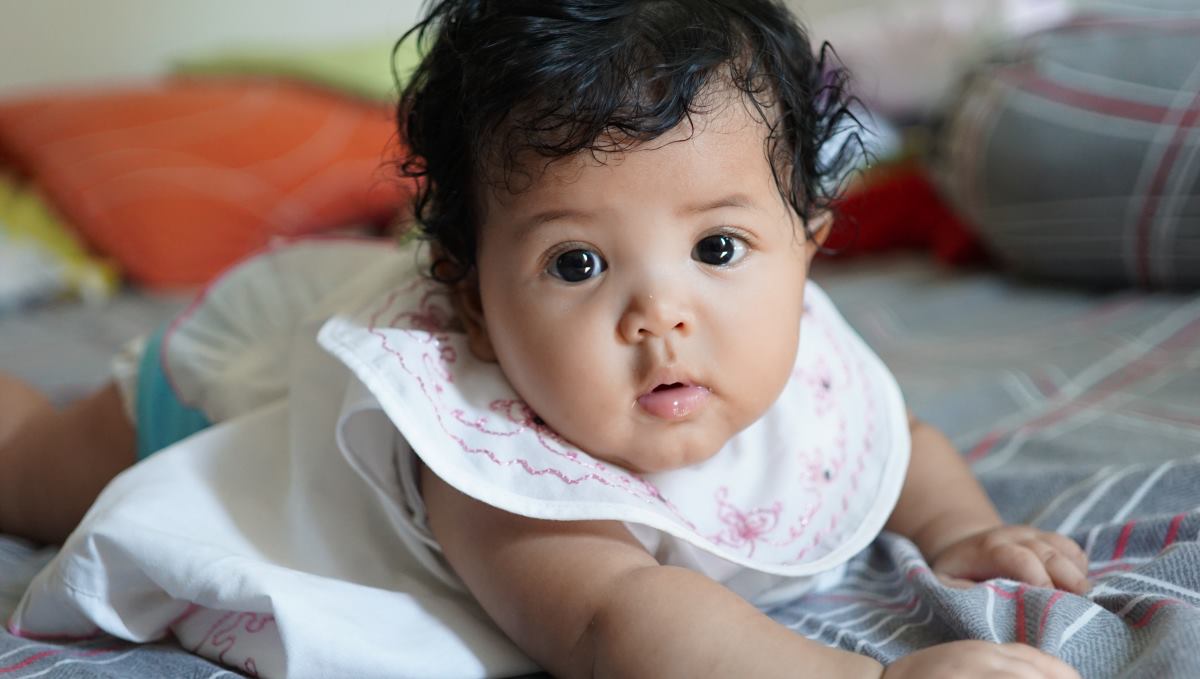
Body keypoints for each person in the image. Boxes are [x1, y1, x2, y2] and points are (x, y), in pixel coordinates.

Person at [1, 1, 1090, 677]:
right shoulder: (482, 457)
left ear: (807, 249)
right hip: (233, 385)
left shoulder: (791, 341)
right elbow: (619, 619)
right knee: (32, 473)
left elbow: (891, 439)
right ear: (474, 305)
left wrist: (962, 532)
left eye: (718, 247)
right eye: (578, 263)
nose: (661, 314)